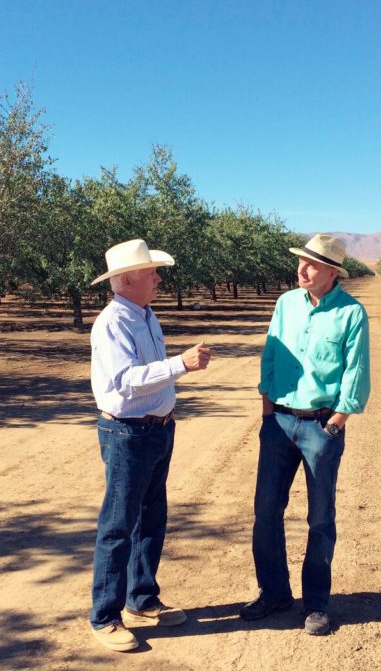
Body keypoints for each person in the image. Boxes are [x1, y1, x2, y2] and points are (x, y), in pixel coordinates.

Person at [240, 233, 370, 636]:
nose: (302, 269)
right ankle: (274, 592)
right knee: (266, 512)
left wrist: (335, 423)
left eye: (312, 264)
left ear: (332, 272)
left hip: (320, 426)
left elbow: (356, 373)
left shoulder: (351, 314)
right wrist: (266, 413)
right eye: (301, 261)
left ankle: (316, 604)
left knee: (319, 518)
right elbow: (270, 357)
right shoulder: (285, 304)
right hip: (278, 421)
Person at [88, 238, 213, 652]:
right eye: (151, 272)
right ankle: (104, 616)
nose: (158, 278)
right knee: (119, 524)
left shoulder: (145, 315)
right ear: (127, 279)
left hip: (157, 430)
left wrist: (175, 372)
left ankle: (141, 599)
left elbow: (148, 375)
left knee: (151, 518)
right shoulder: (114, 322)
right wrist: (181, 364)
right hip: (127, 433)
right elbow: (126, 379)